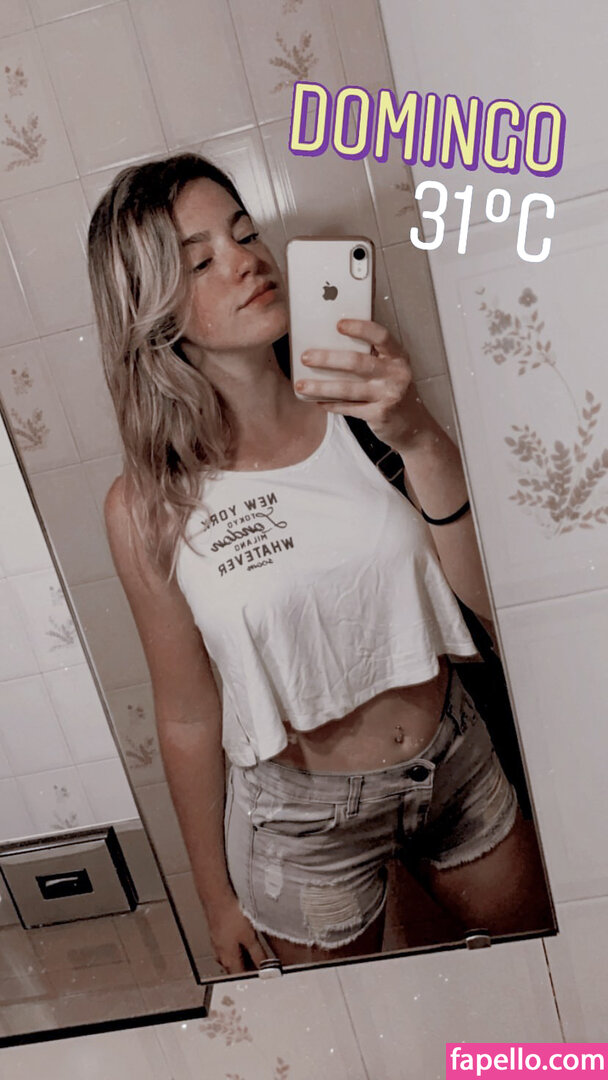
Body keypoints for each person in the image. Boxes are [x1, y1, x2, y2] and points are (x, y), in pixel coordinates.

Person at [88, 153, 551, 975]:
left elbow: (490, 603)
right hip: (301, 826)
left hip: (456, 762)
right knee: (364, 1032)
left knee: (549, 980)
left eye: (244, 234)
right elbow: (188, 715)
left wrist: (418, 435)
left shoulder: (368, 406)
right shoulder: (149, 505)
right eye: (200, 261)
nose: (245, 261)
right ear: (152, 311)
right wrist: (214, 898)